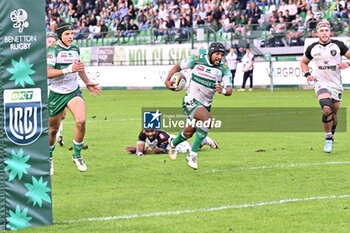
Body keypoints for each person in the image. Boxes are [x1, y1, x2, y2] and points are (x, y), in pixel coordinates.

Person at [164, 42, 232, 170]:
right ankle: (192, 155)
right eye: (217, 54)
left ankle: (172, 143)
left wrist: (222, 90)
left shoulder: (224, 69)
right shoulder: (196, 60)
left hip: (205, 105)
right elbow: (178, 66)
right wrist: (167, 80)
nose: (219, 57)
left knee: (189, 133)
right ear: (210, 53)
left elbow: (229, 90)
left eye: (222, 55)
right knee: (207, 120)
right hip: (190, 101)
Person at [47, 23, 102, 173]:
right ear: (60, 36)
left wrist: (88, 82)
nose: (71, 37)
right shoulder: (53, 50)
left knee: (81, 120)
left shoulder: (75, 49)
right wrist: (67, 69)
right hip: (56, 93)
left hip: (73, 91)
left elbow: (78, 68)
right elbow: (47, 72)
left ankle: (77, 156)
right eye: (67, 34)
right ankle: (49, 158)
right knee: (53, 130)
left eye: (72, 33)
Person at [300, 20, 350, 153]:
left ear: (330, 32)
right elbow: (304, 62)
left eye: (326, 30)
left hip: (336, 85)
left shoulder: (338, 45)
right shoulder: (312, 48)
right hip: (321, 83)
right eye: (321, 31)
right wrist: (307, 75)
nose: (324, 33)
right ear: (317, 33)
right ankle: (328, 139)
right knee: (326, 109)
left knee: (333, 113)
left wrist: (347, 64)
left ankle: (332, 135)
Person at [124, 129, 219, 156]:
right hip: (160, 145)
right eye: (147, 131)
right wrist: (138, 152)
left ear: (156, 130)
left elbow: (155, 152)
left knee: (195, 147)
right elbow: (140, 148)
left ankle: (205, 140)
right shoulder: (143, 133)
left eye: (152, 131)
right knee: (148, 144)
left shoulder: (162, 136)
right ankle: (149, 144)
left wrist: (137, 150)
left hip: (172, 145)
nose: (149, 133)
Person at [46, 32, 65, 149]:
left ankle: (57, 133)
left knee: (61, 115)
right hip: (45, 89)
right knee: (50, 114)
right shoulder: (40, 56)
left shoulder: (59, 56)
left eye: (53, 41)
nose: (51, 44)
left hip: (58, 89)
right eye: (49, 42)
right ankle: (55, 134)